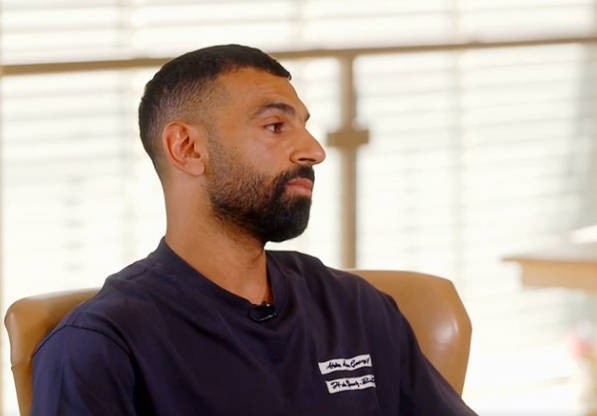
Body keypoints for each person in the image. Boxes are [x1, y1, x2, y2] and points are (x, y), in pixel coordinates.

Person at [31, 44, 477, 415]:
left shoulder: (353, 308)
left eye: (304, 126)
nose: (314, 150)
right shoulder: (100, 348)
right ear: (187, 148)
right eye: (275, 126)